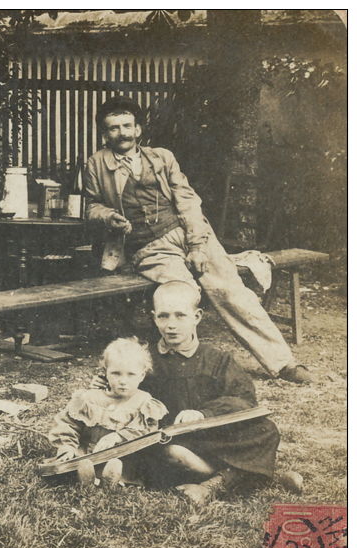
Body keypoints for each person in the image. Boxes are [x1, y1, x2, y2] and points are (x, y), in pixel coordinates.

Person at [83, 96, 313, 384]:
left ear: (138, 130)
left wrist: (196, 246)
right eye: (114, 128)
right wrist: (107, 216)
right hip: (149, 248)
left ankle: (283, 363)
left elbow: (187, 201)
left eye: (127, 126)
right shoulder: (96, 164)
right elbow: (91, 205)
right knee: (180, 296)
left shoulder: (162, 157)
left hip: (190, 233)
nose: (122, 133)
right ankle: (184, 367)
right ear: (105, 134)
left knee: (232, 292)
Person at [135, 281, 304, 505]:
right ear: (154, 317)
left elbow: (244, 400)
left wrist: (204, 413)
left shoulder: (218, 359)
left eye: (180, 316)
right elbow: (127, 393)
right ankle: (257, 477)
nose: (171, 325)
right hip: (172, 440)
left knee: (266, 430)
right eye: (163, 316)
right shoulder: (144, 360)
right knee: (168, 454)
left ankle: (211, 485)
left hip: (213, 437)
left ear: (197, 316)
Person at [49, 337, 167, 488]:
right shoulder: (90, 398)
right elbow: (68, 424)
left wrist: (118, 436)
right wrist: (67, 446)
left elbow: (146, 431)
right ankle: (85, 475)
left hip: (123, 455)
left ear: (142, 375)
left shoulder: (144, 401)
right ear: (105, 373)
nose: (123, 381)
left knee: (123, 463)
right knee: (77, 461)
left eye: (131, 374)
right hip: (89, 453)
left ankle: (112, 477)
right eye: (116, 373)